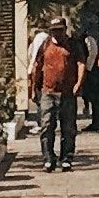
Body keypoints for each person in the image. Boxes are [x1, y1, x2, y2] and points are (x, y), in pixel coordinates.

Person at [30, 23, 83, 171]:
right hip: (48, 92)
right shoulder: (45, 45)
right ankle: (48, 158)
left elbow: (81, 64)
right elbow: (37, 67)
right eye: (54, 31)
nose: (57, 34)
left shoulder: (73, 45)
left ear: (65, 30)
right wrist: (34, 88)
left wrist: (78, 83)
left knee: (68, 127)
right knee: (47, 125)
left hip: (67, 93)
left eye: (59, 31)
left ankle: (66, 158)